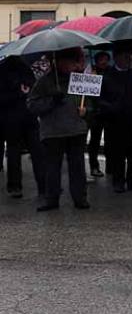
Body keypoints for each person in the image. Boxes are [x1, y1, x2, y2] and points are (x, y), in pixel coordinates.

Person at [27, 48, 93, 212]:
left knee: (77, 166)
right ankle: (51, 198)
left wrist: (86, 112)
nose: (69, 65)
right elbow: (32, 105)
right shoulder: (44, 82)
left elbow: (90, 104)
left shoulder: (80, 80)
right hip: (53, 131)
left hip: (76, 129)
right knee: (52, 167)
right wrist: (51, 101)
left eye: (72, 61)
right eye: (66, 61)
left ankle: (80, 197)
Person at [99, 50, 132, 192]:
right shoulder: (107, 75)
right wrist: (111, 107)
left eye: (129, 56)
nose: (128, 59)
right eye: (125, 56)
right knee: (117, 151)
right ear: (117, 58)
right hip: (115, 118)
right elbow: (99, 99)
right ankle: (118, 181)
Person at [0, 53, 44, 200]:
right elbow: (33, 89)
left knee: (14, 152)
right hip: (28, 117)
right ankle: (43, 186)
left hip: (11, 119)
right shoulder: (25, 69)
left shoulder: (3, 70)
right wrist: (23, 93)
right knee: (37, 152)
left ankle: (15, 186)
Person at [86, 51, 112, 178]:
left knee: (110, 139)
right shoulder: (90, 71)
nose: (104, 62)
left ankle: (110, 165)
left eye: (106, 59)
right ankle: (94, 166)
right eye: (101, 59)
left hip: (108, 111)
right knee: (95, 141)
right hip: (95, 111)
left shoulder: (111, 72)